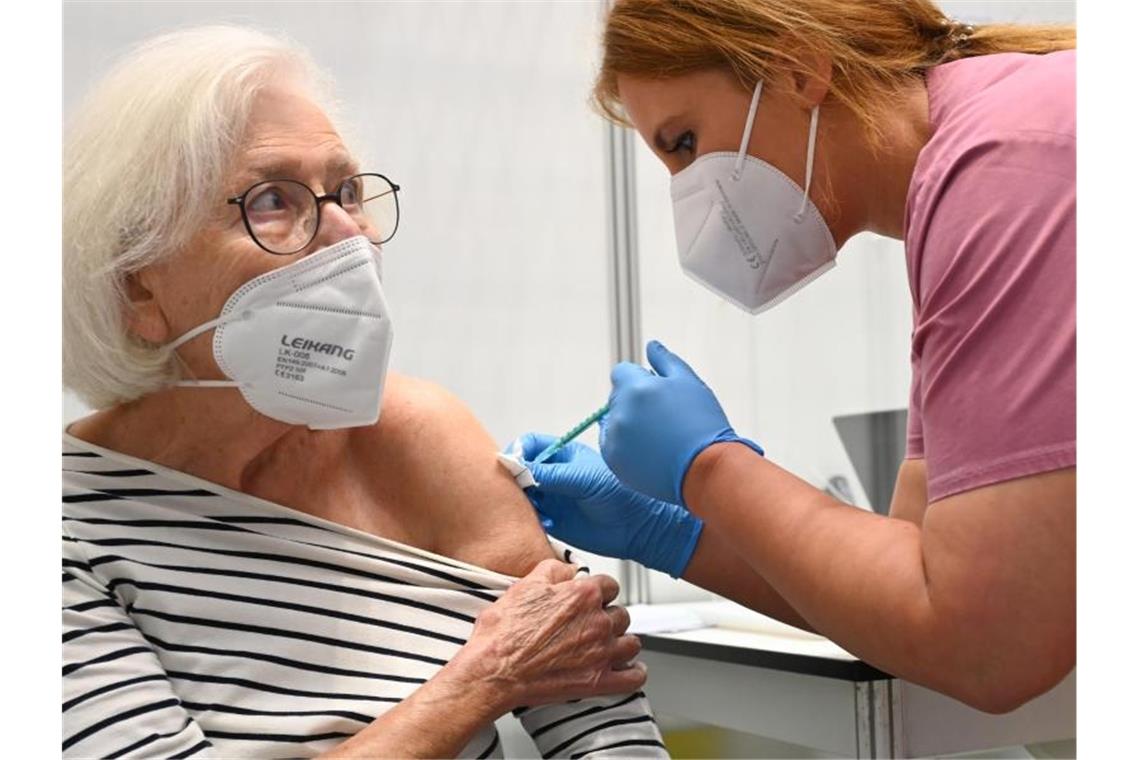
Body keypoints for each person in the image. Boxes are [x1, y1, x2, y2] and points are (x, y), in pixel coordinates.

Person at [62, 26, 667, 758]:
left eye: (347, 191)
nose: (349, 235)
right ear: (139, 287)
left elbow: (600, 721)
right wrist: (481, 683)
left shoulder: (418, 434)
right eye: (273, 200)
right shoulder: (62, 527)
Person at [514, 0, 1075, 714]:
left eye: (685, 142)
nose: (691, 202)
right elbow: (903, 590)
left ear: (799, 67)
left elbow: (986, 646)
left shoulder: (1006, 169)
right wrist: (674, 532)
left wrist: (711, 470)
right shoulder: (963, 188)